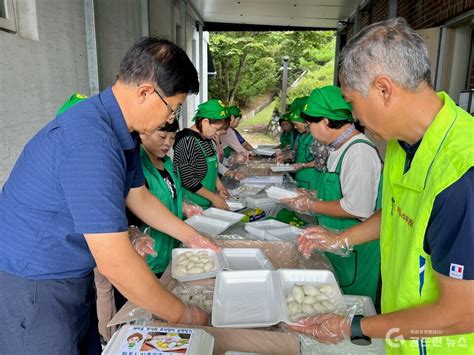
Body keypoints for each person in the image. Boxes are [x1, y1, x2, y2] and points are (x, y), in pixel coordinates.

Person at [0, 37, 218, 354]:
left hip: (71, 276)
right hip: (34, 285)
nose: (170, 120)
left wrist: (192, 236)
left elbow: (138, 196)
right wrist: (182, 314)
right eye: (173, 109)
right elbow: (115, 262)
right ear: (145, 92)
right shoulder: (92, 142)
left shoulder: (121, 133)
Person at [290, 18, 474, 354]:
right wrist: (340, 239)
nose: (355, 118)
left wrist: (354, 325)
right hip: (402, 336)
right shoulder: (402, 144)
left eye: (353, 102)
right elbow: (394, 212)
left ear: (383, 89)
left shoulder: (462, 173)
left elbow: (463, 312)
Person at [283, 85, 382, 303]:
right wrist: (312, 193)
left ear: (326, 121)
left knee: (352, 305)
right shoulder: (338, 148)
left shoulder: (358, 152)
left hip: (355, 247)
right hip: (336, 241)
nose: (309, 129)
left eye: (311, 123)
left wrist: (310, 205)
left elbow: (356, 207)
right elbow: (341, 189)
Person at [173, 99, 231, 210]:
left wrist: (220, 187)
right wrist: (214, 198)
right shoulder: (188, 141)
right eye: (217, 129)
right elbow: (188, 179)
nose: (218, 134)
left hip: (205, 204)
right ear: (204, 122)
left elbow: (213, 168)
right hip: (191, 207)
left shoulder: (206, 139)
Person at [289, 96, 321, 190]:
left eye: (296, 124)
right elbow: (294, 152)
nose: (294, 127)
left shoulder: (316, 138)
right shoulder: (301, 136)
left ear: (306, 123)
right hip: (300, 178)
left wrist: (303, 165)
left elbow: (321, 161)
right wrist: (284, 156)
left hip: (312, 179)